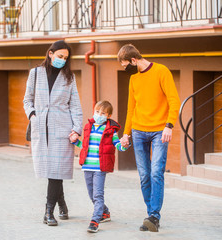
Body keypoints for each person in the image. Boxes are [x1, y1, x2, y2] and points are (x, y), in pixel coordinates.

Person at [117, 44, 181, 232]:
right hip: (138, 132)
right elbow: (131, 108)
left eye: (125, 65)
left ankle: (154, 215)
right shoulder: (134, 79)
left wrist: (169, 125)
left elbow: (173, 100)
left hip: (159, 131)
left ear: (134, 60)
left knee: (155, 173)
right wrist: (126, 133)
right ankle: (151, 215)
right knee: (144, 176)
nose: (125, 69)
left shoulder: (161, 71)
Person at [23, 40, 82, 226]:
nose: (62, 60)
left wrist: (76, 129)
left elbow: (75, 106)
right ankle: (62, 203)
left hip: (62, 129)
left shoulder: (69, 77)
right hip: (41, 127)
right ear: (50, 54)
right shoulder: (35, 74)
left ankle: (48, 211)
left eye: (65, 58)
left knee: (56, 170)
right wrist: (33, 115)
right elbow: (27, 100)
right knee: (52, 171)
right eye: (59, 56)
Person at [69, 100, 128, 233]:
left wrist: (124, 145)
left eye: (103, 113)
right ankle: (105, 212)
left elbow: (117, 145)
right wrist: (75, 141)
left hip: (100, 167)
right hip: (87, 166)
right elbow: (84, 146)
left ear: (108, 116)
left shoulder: (110, 130)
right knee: (91, 194)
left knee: (98, 195)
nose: (99, 115)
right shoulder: (88, 127)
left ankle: (95, 221)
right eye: (97, 112)